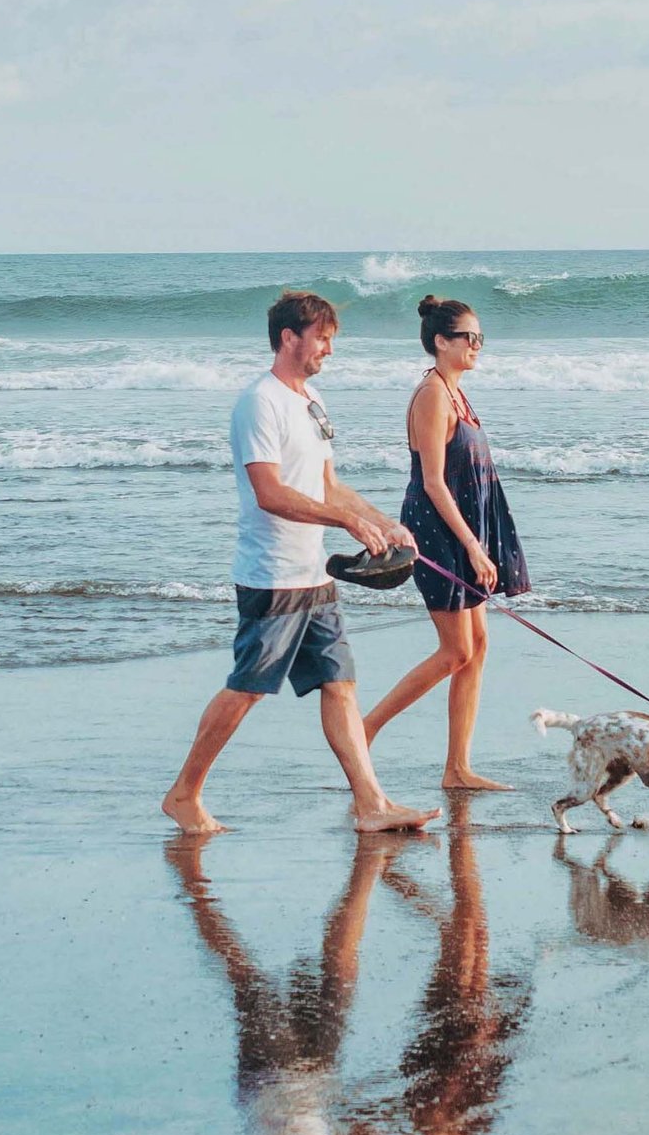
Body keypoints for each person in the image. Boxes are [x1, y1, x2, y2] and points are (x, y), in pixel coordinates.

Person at [161, 290, 441, 836]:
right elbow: (269, 492)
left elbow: (329, 485)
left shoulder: (310, 402)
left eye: (331, 339)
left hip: (313, 574)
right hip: (273, 575)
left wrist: (381, 521)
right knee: (247, 688)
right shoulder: (259, 403)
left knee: (340, 684)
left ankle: (371, 805)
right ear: (290, 338)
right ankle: (183, 794)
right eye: (322, 338)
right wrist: (344, 525)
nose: (329, 350)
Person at [361, 295, 529, 790]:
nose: (477, 345)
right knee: (455, 650)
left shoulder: (456, 392)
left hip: (461, 525)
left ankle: (457, 768)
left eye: (481, 338)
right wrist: (474, 548)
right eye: (468, 338)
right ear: (440, 341)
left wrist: (481, 539)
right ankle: (363, 730)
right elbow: (434, 482)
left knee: (477, 646)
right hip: (436, 528)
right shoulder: (433, 393)